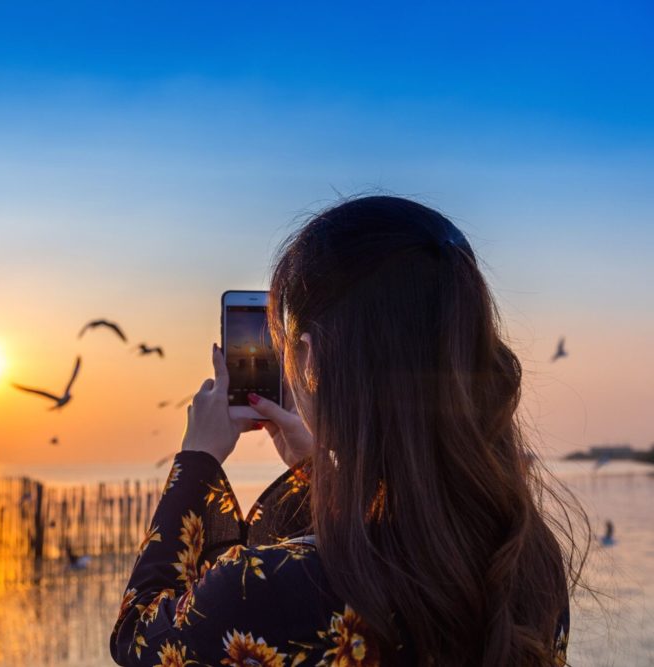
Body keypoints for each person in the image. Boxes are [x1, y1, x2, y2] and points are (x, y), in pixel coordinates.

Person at [111, 196, 579, 666]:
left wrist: (197, 463)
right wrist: (316, 474)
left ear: (309, 357)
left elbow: (138, 639)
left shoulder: (266, 590)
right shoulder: (527, 562)